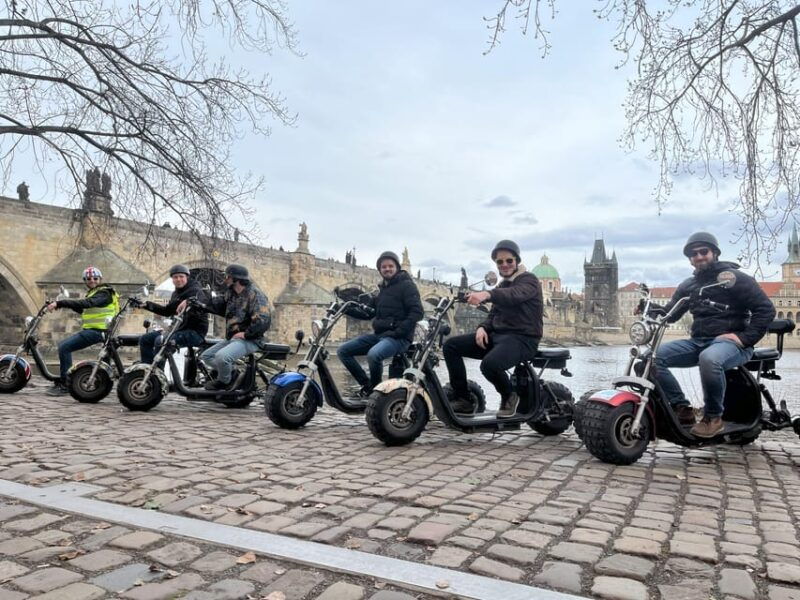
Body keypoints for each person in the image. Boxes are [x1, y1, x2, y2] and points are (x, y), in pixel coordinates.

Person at [653, 232, 776, 437]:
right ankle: (681, 408)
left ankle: (713, 418)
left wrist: (744, 338)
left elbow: (766, 309)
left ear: (715, 253)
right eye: (694, 254)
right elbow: (670, 314)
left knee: (709, 359)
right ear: (690, 259)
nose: (699, 256)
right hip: (698, 341)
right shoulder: (689, 285)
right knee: (653, 358)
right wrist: (649, 308)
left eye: (704, 251)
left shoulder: (734, 278)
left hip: (731, 344)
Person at [443, 240, 543, 418]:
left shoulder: (529, 280)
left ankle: (509, 395)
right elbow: (493, 313)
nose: (504, 265)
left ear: (517, 261)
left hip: (523, 338)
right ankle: (463, 399)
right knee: (451, 346)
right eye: (500, 262)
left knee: (489, 365)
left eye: (509, 260)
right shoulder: (503, 285)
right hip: (498, 336)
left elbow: (514, 295)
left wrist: (486, 294)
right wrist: (483, 327)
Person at [337, 251, 423, 396]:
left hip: (399, 338)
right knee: (343, 351)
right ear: (380, 270)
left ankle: (377, 394)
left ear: (397, 267)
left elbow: (417, 312)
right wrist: (344, 309)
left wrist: (399, 331)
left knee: (374, 355)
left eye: (390, 266)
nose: (387, 269)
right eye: (384, 267)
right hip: (380, 336)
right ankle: (367, 385)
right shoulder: (381, 290)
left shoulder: (407, 285)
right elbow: (368, 313)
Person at [187, 264, 270, 390]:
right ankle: (232, 373)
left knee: (222, 357)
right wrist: (198, 302)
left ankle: (224, 381)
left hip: (251, 339)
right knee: (206, 356)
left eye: (227, 277)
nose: (225, 279)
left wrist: (246, 334)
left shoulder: (255, 294)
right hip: (233, 338)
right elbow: (218, 305)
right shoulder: (231, 293)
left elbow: (263, 320)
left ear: (236, 279)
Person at [45, 266, 119, 395]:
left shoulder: (104, 293)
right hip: (100, 331)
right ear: (85, 281)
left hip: (98, 331)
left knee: (64, 347)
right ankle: (99, 388)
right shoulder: (95, 293)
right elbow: (84, 309)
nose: (92, 280)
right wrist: (62, 305)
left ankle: (65, 385)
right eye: (88, 279)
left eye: (95, 278)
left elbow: (87, 303)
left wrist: (60, 303)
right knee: (104, 362)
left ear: (100, 279)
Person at [137, 264, 208, 365]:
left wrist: (188, 301)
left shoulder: (195, 290)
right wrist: (146, 305)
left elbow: (201, 299)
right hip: (178, 330)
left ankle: (158, 371)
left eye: (181, 276)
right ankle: (147, 367)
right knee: (145, 339)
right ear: (172, 279)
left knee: (161, 340)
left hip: (195, 332)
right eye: (175, 277)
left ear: (187, 277)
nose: (178, 279)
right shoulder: (176, 294)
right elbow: (167, 311)